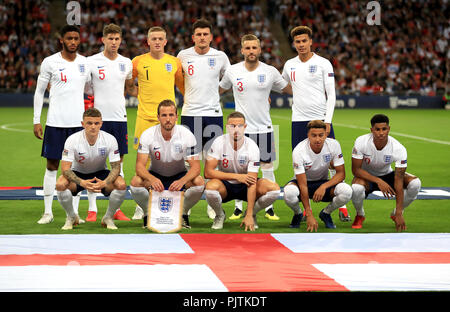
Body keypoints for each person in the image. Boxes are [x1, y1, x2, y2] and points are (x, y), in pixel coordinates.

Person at [281, 25, 351, 222]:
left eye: (304, 41)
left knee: (331, 160)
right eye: (298, 42)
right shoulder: (289, 64)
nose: (301, 44)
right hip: (298, 120)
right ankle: (306, 208)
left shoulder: (323, 63)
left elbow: (332, 94)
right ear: (294, 44)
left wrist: (327, 120)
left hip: (320, 119)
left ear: (311, 41)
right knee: (301, 162)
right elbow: (284, 85)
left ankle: (342, 206)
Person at [219, 34, 291, 222]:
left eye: (254, 48)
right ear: (242, 50)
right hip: (240, 130)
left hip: (264, 128)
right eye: (247, 48)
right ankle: (237, 207)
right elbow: (219, 89)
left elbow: (288, 89)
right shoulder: (232, 71)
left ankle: (269, 207)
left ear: (259, 50)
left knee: (267, 167)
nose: (251, 51)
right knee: (240, 169)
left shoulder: (270, 71)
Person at [33, 25, 90, 224]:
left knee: (76, 169)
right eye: (69, 38)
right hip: (55, 123)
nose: (73, 41)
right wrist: (36, 120)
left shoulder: (85, 63)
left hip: (78, 125)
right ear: (62, 40)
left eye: (76, 38)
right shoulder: (50, 62)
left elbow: (91, 89)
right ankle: (47, 212)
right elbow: (39, 92)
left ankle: (73, 214)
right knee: (51, 166)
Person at [177, 18, 230, 220]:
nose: (202, 37)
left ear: (211, 37)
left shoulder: (220, 56)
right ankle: (187, 205)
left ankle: (211, 201)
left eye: (205, 34)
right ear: (193, 37)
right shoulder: (183, 55)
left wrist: (216, 92)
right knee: (189, 162)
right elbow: (177, 77)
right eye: (198, 34)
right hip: (189, 113)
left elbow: (229, 78)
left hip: (213, 115)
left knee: (212, 162)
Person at [130, 26, 185, 220]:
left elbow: (182, 86)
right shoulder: (137, 62)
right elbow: (129, 84)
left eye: (160, 38)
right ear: (147, 41)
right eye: (153, 38)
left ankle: (175, 201)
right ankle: (142, 205)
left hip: (168, 118)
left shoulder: (174, 62)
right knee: (143, 161)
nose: (157, 42)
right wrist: (137, 93)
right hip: (145, 118)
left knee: (168, 158)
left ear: (166, 41)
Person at [85, 23, 135, 222]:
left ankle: (116, 209)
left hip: (120, 118)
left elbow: (130, 86)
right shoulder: (91, 61)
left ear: (120, 40)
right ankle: (92, 209)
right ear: (103, 40)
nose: (113, 42)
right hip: (99, 119)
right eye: (110, 39)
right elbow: (88, 88)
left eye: (117, 39)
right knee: (92, 163)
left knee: (118, 163)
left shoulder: (126, 63)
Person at [129, 100, 205, 229]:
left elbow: (196, 167)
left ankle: (182, 213)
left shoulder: (187, 135)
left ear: (177, 116)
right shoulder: (147, 135)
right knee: (135, 181)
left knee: (199, 182)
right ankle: (148, 214)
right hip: (156, 175)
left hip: (179, 175)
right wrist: (152, 179)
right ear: (158, 117)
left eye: (171, 115)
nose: (168, 119)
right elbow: (139, 166)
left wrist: (182, 181)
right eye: (164, 115)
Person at [204, 111, 280, 231]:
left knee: (274, 190)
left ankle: (252, 214)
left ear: (245, 127)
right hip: (226, 185)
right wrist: (237, 177)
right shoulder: (219, 142)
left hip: (246, 185)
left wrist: (249, 213)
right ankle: (219, 215)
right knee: (210, 187)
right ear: (227, 127)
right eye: (232, 126)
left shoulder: (252, 147)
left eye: (240, 126)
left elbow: (252, 181)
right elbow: (208, 172)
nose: (236, 129)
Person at [55, 108, 127, 230]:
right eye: (89, 123)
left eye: (96, 123)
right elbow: (65, 169)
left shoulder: (110, 139)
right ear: (83, 124)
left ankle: (108, 217)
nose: (93, 127)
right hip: (78, 174)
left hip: (100, 173)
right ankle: (72, 216)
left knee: (121, 184)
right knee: (60, 184)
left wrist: (105, 182)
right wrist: (82, 182)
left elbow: (116, 168)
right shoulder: (72, 140)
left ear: (101, 124)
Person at [350, 114, 421, 232]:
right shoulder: (361, 142)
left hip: (388, 174)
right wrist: (378, 181)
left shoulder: (398, 148)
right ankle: (360, 214)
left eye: (384, 129)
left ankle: (396, 214)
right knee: (356, 188)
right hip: (366, 175)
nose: (381, 133)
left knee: (416, 183)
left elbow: (398, 178)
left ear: (389, 129)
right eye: (377, 129)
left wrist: (399, 212)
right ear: (371, 130)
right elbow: (356, 170)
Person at [283, 120, 352, 231]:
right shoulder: (299, 151)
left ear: (326, 134)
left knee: (346, 191)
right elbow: (303, 184)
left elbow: (341, 174)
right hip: (303, 183)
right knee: (289, 192)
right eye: (313, 135)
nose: (318, 139)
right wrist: (309, 214)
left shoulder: (334, 145)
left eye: (321, 135)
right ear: (308, 136)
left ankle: (326, 213)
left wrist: (323, 186)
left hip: (323, 182)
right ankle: (298, 213)